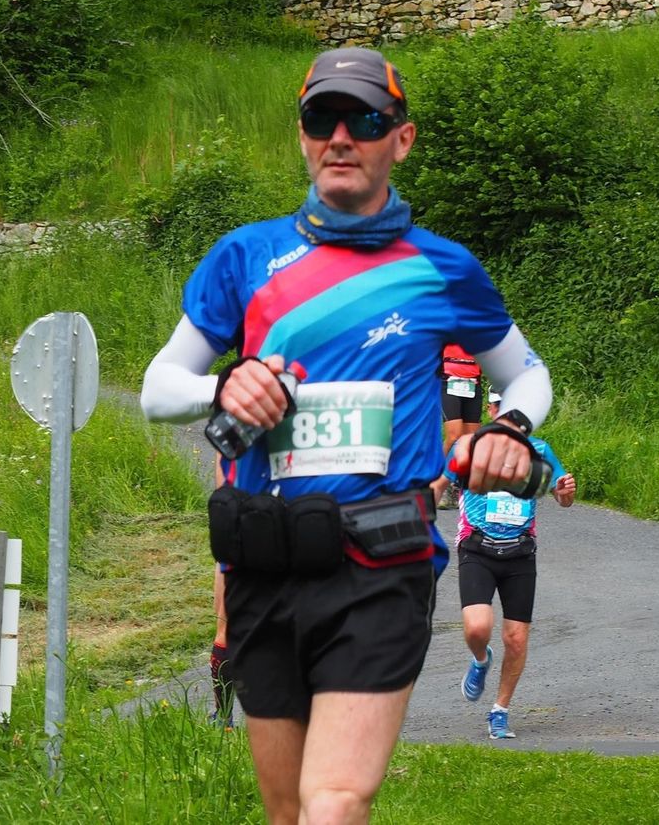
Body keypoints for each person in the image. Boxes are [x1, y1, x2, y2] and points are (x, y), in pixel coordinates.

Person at [139, 46, 552, 823]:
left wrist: (511, 428)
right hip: (264, 563)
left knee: (334, 801)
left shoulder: (442, 268)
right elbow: (160, 388)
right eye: (320, 117)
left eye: (364, 119)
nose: (340, 135)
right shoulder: (246, 256)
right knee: (290, 810)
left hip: (379, 568)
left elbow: (527, 374)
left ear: (401, 137)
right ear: (301, 135)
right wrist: (222, 385)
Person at [447, 390, 576, 740]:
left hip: (520, 552)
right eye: (502, 409)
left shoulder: (540, 450)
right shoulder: (470, 448)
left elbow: (564, 498)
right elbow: (441, 481)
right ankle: (480, 660)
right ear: (491, 411)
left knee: (516, 639)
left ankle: (500, 711)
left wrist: (565, 490)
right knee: (477, 628)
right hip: (477, 548)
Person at [437, 342, 485, 509]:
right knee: (454, 436)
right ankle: (440, 481)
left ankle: (459, 485)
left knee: (471, 440)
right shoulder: (447, 322)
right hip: (449, 382)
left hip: (473, 383)